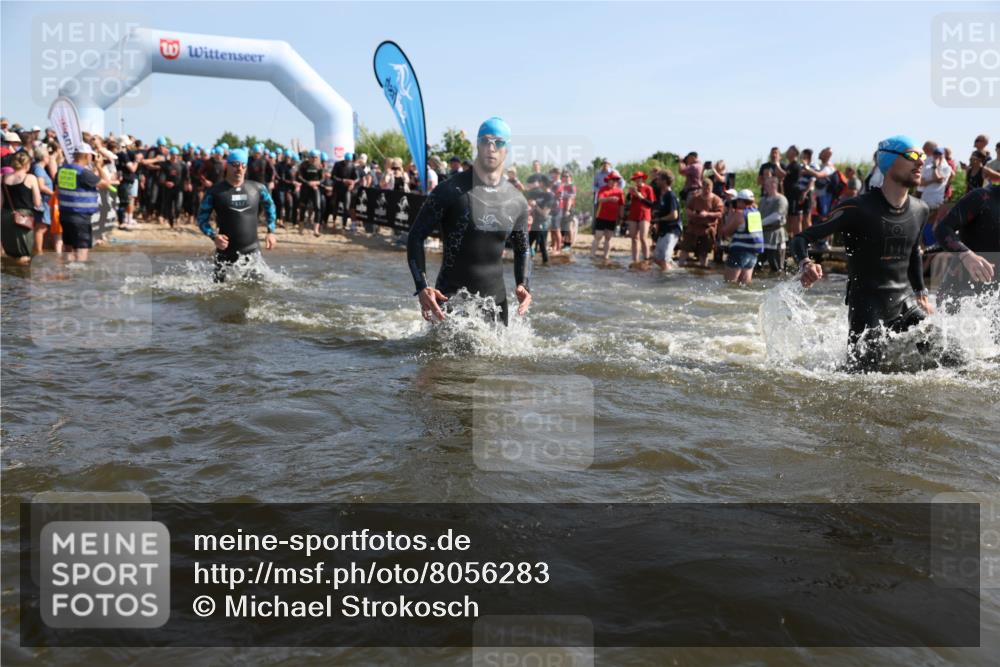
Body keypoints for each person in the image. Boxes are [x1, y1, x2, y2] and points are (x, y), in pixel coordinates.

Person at [791, 135, 933, 372]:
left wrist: (921, 293)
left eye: (923, 157)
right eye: (913, 156)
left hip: (906, 306)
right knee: (862, 378)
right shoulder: (856, 208)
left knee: (951, 356)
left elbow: (913, 253)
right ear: (886, 161)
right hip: (867, 310)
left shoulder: (921, 209)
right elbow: (801, 238)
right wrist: (806, 263)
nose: (921, 163)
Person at [406, 117, 530, 326]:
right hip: (450, 302)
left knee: (496, 358)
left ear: (506, 149)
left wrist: (524, 285)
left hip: (496, 306)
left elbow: (523, 248)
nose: (491, 148)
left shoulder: (516, 200)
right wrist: (422, 286)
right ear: (477, 145)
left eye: (498, 142)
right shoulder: (449, 190)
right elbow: (415, 236)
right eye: (485, 141)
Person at [197, 148, 277, 282]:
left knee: (257, 293)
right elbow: (201, 219)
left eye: (243, 165)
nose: (239, 168)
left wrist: (271, 231)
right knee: (218, 295)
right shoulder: (215, 192)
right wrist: (213, 236)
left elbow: (270, 206)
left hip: (252, 253)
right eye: (235, 165)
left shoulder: (257, 188)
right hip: (225, 253)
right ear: (226, 166)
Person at [933, 183, 998, 315]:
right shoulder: (982, 197)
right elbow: (943, 228)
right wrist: (966, 255)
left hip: (993, 301)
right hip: (959, 295)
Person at [57, 144, 111, 262]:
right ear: (87, 156)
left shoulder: (62, 169)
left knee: (68, 247)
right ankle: (79, 276)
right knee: (81, 249)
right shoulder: (83, 173)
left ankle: (66, 274)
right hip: (80, 217)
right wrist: (99, 166)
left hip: (65, 214)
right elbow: (106, 184)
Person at [1, 151, 41, 263]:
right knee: (24, 254)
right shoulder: (31, 178)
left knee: (10, 254)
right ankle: (23, 279)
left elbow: (0, 202)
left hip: (5, 216)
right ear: (27, 164)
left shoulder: (3, 177)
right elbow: (37, 202)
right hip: (23, 218)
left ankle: (10, 279)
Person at [720, 189, 763, 285]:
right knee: (745, 285)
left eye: (737, 201)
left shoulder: (740, 214)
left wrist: (730, 213)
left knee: (729, 284)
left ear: (741, 201)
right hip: (753, 253)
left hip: (739, 252)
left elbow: (726, 232)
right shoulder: (756, 213)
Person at [677, 177, 723, 267]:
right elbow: (687, 209)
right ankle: (679, 267)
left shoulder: (716, 199)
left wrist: (707, 214)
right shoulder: (695, 197)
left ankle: (703, 270)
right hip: (693, 228)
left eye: (708, 189)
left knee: (704, 253)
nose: (706, 191)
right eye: (705, 188)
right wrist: (693, 213)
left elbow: (720, 214)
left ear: (712, 188)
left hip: (707, 229)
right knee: (685, 249)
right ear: (702, 187)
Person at [651, 170, 681, 271]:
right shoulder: (663, 196)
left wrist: (659, 219)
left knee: (664, 259)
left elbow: (674, 215)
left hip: (672, 231)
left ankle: (668, 280)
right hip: (665, 231)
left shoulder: (670, 195)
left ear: (664, 181)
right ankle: (674, 270)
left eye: (659, 179)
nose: (656, 181)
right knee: (656, 258)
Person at [591, 170, 624, 261]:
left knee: (608, 238)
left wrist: (621, 217)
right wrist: (610, 198)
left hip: (612, 217)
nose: (614, 182)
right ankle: (592, 255)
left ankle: (606, 257)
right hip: (601, 216)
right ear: (608, 180)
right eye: (612, 180)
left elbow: (621, 205)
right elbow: (600, 200)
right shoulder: (603, 189)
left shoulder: (620, 191)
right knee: (598, 236)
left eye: (616, 180)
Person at [758, 176, 789, 273]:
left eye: (767, 185)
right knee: (757, 266)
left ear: (774, 185)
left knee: (777, 267)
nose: (765, 187)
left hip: (776, 235)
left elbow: (777, 216)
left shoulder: (781, 199)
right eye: (765, 185)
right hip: (763, 235)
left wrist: (759, 223)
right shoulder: (763, 200)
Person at [626, 171, 655, 263]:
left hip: (644, 214)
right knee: (634, 238)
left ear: (643, 178)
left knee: (643, 237)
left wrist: (640, 196)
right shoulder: (633, 188)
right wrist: (630, 194)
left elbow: (651, 204)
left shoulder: (648, 188)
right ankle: (635, 260)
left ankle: (646, 258)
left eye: (639, 178)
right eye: (635, 179)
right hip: (633, 214)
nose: (637, 180)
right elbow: (628, 201)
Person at [525, 174, 554, 265]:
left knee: (540, 246)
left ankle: (544, 264)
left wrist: (535, 205)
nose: (538, 183)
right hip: (535, 222)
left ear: (543, 183)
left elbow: (545, 214)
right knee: (535, 245)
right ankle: (543, 264)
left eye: (540, 182)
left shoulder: (550, 196)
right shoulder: (540, 193)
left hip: (542, 223)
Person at [31, 145, 54, 254]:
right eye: (48, 155)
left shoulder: (38, 168)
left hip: (45, 202)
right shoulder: (38, 169)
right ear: (44, 157)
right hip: (43, 202)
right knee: (41, 228)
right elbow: (41, 186)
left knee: (43, 227)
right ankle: (38, 252)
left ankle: (41, 249)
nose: (49, 157)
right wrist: (54, 194)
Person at [782, 145, 806, 236]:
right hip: (788, 194)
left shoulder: (795, 165)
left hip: (794, 195)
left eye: (789, 150)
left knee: (795, 218)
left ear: (795, 153)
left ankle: (797, 240)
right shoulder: (789, 165)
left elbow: (784, 175)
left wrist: (776, 165)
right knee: (789, 217)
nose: (787, 152)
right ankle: (790, 239)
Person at [558, 170, 577, 251]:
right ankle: (563, 243)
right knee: (562, 226)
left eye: (567, 176)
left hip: (568, 208)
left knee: (568, 226)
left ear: (570, 177)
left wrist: (567, 210)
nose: (565, 178)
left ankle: (569, 244)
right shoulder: (561, 186)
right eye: (564, 176)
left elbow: (570, 198)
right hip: (561, 208)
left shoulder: (571, 186)